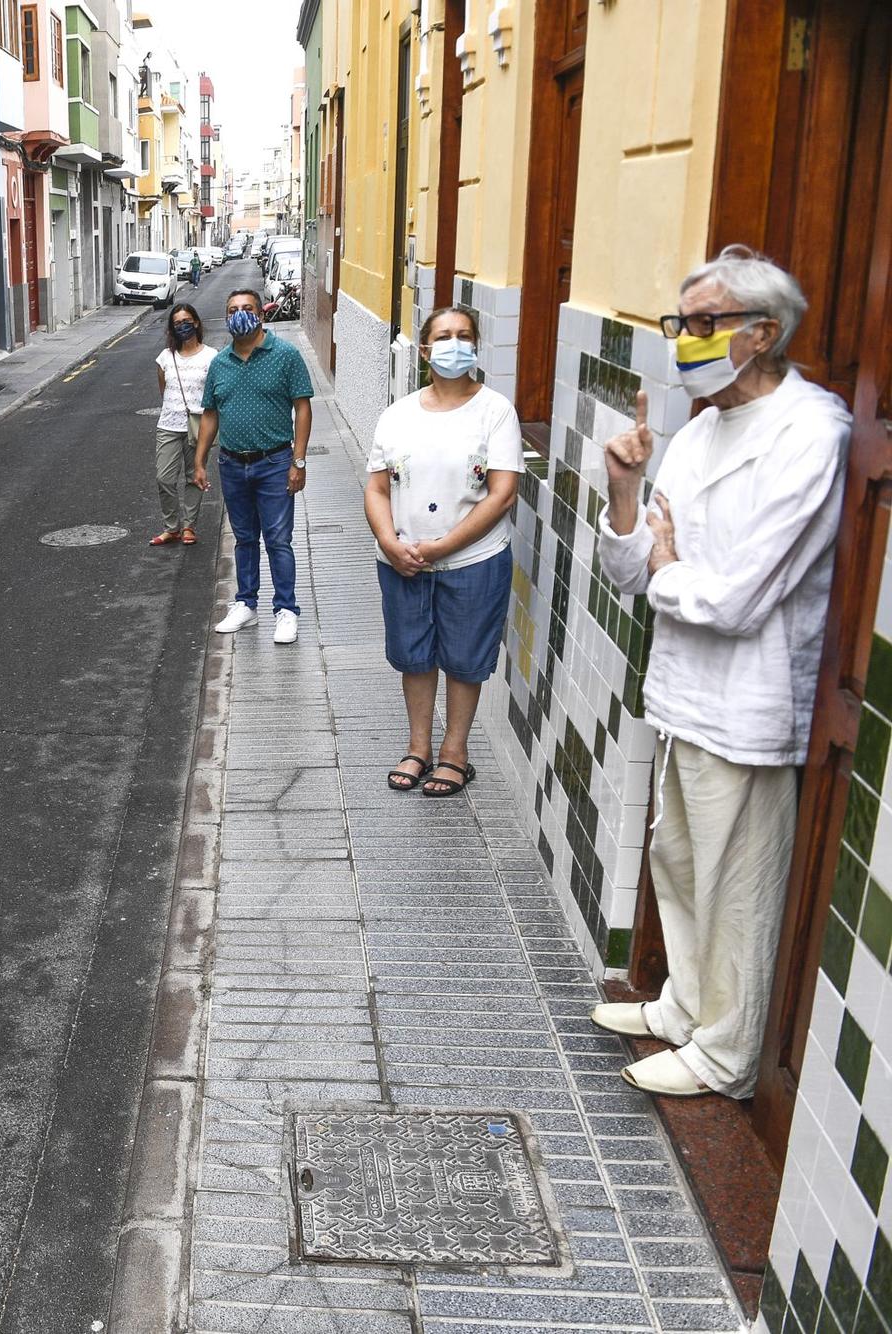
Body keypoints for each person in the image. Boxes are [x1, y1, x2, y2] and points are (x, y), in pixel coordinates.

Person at [586, 246, 850, 1098]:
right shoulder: (701, 428)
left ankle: (726, 1054)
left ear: (763, 333)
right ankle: (682, 1006)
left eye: (703, 324)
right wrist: (624, 493)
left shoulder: (815, 434)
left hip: (749, 699)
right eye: (681, 322)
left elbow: (739, 598)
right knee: (678, 859)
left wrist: (668, 570)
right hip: (683, 691)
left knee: (738, 884)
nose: (684, 338)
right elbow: (635, 575)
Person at [364, 305, 523, 797]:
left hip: (474, 560)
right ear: (426, 349)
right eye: (444, 336)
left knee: (464, 657)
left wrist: (441, 547)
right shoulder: (397, 415)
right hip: (403, 561)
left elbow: (502, 492)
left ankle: (455, 753)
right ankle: (418, 748)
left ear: (476, 346)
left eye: (465, 335)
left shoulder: (495, 410)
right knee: (414, 656)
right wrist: (391, 543)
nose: (455, 344)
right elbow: (375, 488)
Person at [194, 288, 316, 644]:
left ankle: (287, 610)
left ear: (261, 314)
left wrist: (299, 461)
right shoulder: (219, 363)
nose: (239, 315)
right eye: (233, 310)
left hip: (275, 463)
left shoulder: (285, 356)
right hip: (233, 465)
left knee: (278, 540)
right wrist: (200, 461)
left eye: (247, 308)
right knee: (244, 539)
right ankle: (246, 604)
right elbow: (210, 414)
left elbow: (303, 408)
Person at [151, 301, 215, 546]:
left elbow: (213, 394)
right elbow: (163, 389)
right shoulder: (165, 357)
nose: (182, 326)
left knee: (193, 476)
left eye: (187, 321)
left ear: (196, 322)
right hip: (168, 423)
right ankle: (171, 527)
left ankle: (188, 526)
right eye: (177, 323)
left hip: (197, 424)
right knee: (164, 478)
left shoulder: (211, 356)